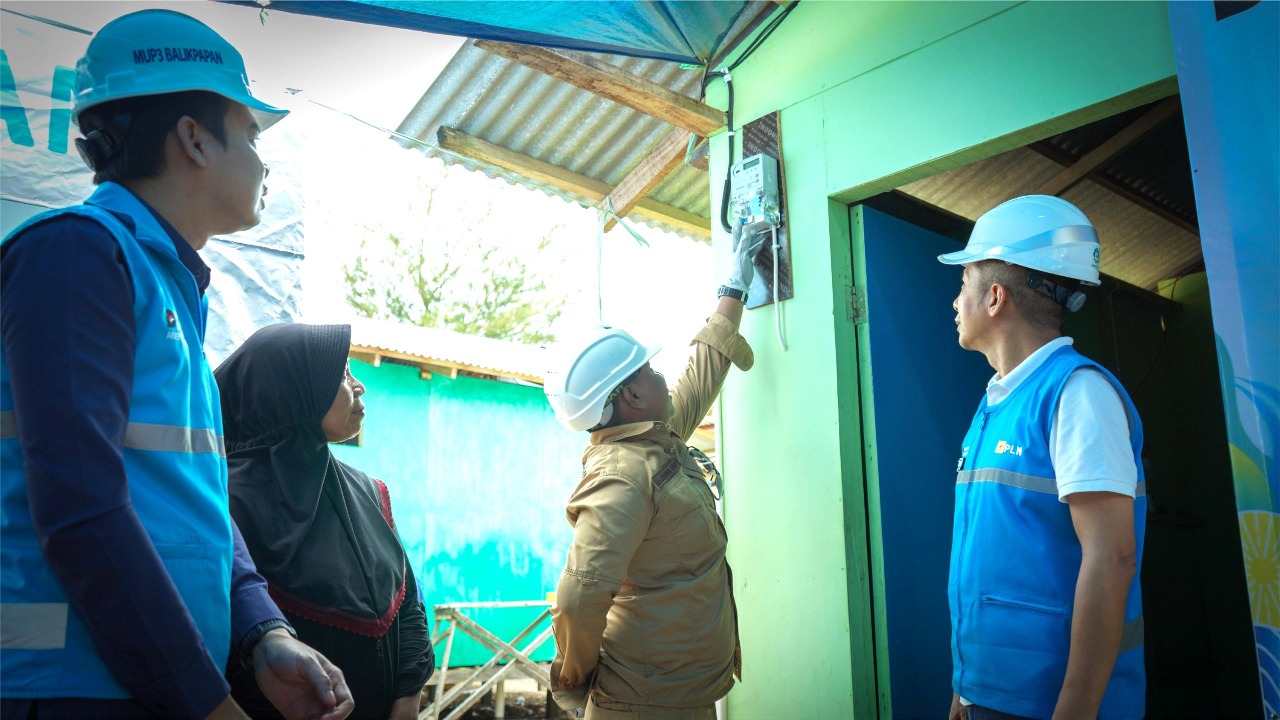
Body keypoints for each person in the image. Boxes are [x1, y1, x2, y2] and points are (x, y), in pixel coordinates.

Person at [0, 10, 353, 720]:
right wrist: (207, 702)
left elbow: (196, 505)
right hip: (71, 689)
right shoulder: (78, 255)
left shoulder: (163, 283)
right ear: (193, 138)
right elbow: (80, 505)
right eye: (252, 135)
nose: (263, 162)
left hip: (143, 686)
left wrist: (263, 631)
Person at [541, 223, 765, 719]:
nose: (660, 373)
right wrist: (577, 677)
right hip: (642, 705)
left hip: (681, 695)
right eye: (647, 368)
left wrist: (735, 285)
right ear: (632, 396)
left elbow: (701, 373)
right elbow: (579, 597)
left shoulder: (653, 442)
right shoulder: (622, 475)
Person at [940, 195, 1146, 720]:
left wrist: (1074, 709)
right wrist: (967, 688)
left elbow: (1113, 556)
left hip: (1050, 702)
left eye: (963, 284)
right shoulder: (996, 403)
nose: (955, 301)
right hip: (992, 693)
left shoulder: (1077, 394)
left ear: (994, 298)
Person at [214, 323, 435, 720]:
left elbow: (408, 605)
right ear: (294, 389)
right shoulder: (221, 499)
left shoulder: (368, 490)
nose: (359, 386)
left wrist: (406, 699)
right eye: (343, 373)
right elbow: (223, 638)